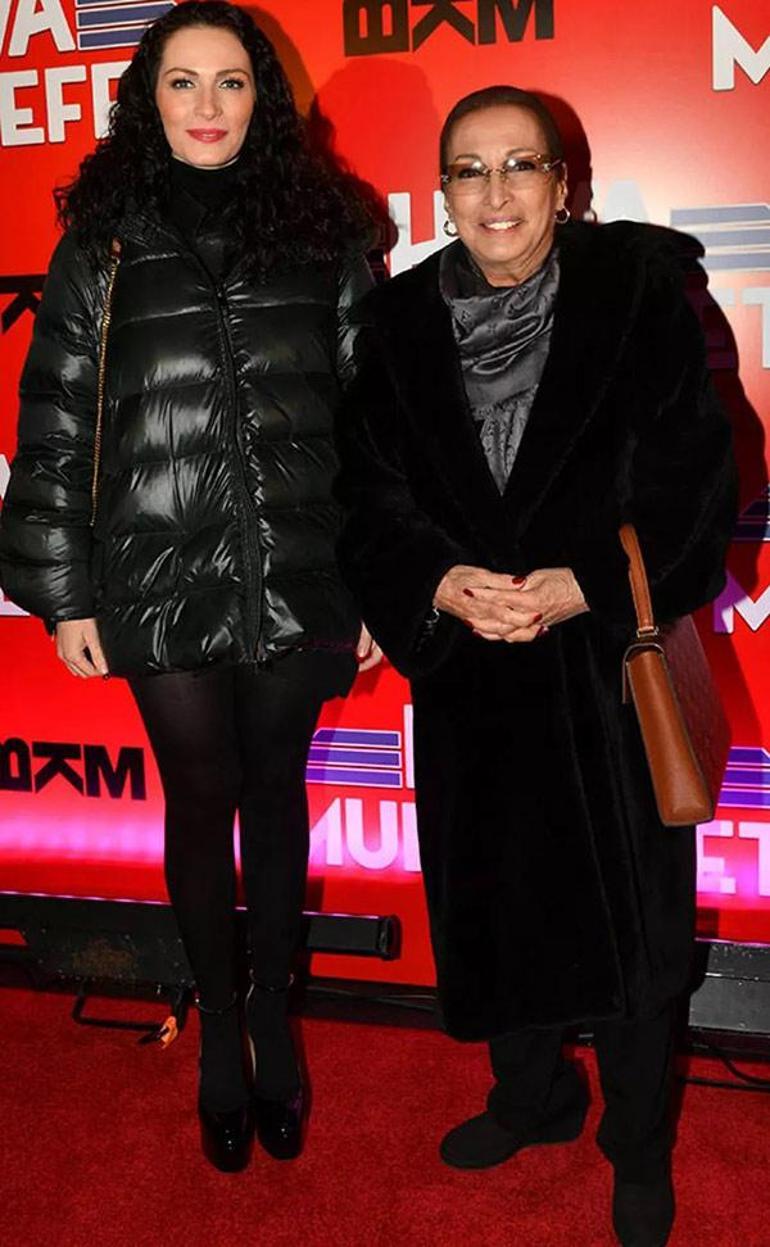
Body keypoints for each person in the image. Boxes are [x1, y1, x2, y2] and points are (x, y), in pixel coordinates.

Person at [335, 85, 736, 1246]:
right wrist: (439, 583)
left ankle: (636, 1145)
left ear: (564, 185)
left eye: (521, 165)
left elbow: (697, 479)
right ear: (442, 192)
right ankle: (531, 1096)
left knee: (635, 930)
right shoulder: (396, 324)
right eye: (470, 170)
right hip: (470, 677)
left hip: (604, 674)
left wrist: (586, 583)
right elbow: (365, 500)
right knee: (493, 905)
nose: (495, 192)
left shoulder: (637, 295)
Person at [0, 0, 380, 1174]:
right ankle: (219, 1025)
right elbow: (57, 422)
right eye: (182, 82)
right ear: (146, 99)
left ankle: (270, 1014)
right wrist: (64, 593)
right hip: (157, 570)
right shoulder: (102, 242)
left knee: (275, 796)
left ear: (264, 97)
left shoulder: (326, 230)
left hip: (303, 567)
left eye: (230, 82)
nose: (207, 106)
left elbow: (377, 423)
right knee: (198, 797)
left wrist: (381, 579)